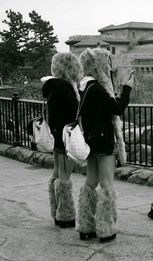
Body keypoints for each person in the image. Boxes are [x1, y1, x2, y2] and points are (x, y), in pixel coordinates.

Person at [76, 48, 133, 243]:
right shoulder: (98, 88)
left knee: (90, 183)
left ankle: (85, 226)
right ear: (99, 65)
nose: (109, 66)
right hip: (103, 140)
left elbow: (104, 107)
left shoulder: (84, 87)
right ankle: (105, 229)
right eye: (106, 62)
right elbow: (117, 108)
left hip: (90, 139)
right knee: (107, 185)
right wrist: (127, 89)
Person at [42, 52, 82, 228]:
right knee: (64, 176)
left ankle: (57, 212)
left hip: (56, 135)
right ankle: (65, 216)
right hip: (66, 138)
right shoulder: (64, 88)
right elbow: (75, 110)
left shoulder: (52, 86)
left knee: (57, 174)